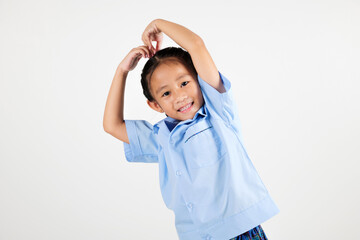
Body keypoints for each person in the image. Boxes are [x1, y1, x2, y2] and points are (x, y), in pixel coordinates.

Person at [103, 19, 280, 240]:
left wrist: (158, 25)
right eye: (166, 93)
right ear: (155, 105)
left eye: (184, 83)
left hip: (238, 231)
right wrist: (122, 71)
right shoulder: (161, 138)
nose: (179, 96)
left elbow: (196, 45)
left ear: (198, 79)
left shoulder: (218, 112)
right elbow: (112, 125)